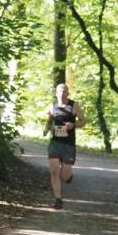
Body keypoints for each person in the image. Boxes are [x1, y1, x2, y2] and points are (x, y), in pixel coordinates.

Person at [43, 82, 85, 210]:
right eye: (59, 91)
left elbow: (83, 121)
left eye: (64, 91)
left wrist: (73, 125)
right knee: (54, 171)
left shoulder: (74, 105)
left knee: (63, 176)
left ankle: (68, 176)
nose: (62, 93)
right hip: (55, 143)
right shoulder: (53, 106)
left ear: (68, 93)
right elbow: (49, 120)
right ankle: (58, 200)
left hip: (68, 145)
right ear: (56, 93)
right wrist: (46, 129)